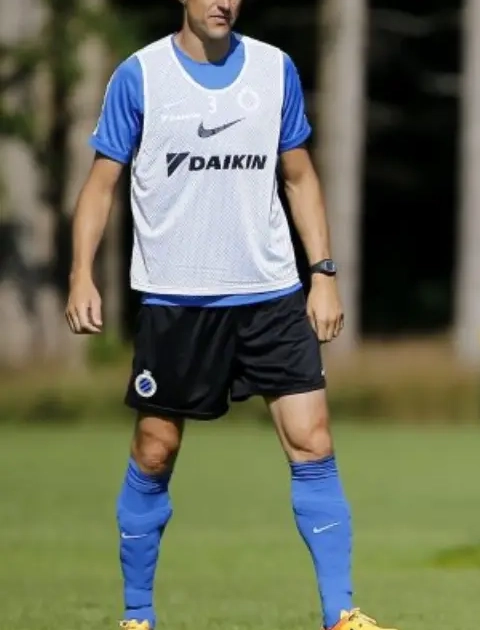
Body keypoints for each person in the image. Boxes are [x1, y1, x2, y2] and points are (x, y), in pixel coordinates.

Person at [64, 2, 394, 629]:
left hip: (270, 294)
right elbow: (102, 184)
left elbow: (299, 177)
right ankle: (138, 615)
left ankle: (342, 615)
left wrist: (323, 275)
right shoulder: (140, 75)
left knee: (314, 441)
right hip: (175, 299)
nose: (223, 2)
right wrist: (82, 273)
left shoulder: (274, 69)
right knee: (155, 451)